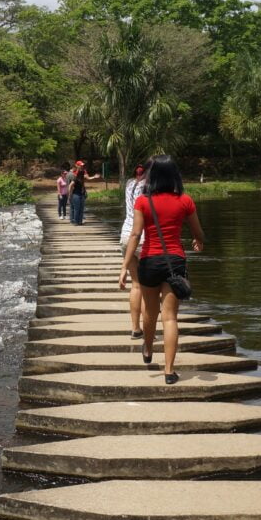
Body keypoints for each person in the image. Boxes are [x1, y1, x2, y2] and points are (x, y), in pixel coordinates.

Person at [118, 155, 204, 384]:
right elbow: (199, 233)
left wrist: (124, 266)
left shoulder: (143, 202)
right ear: (175, 175)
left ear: (152, 175)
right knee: (170, 318)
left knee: (150, 313)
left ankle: (147, 347)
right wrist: (198, 241)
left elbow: (136, 235)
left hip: (149, 260)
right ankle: (169, 371)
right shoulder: (185, 200)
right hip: (175, 261)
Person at [119, 163, 148, 338]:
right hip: (143, 236)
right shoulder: (148, 187)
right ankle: (148, 327)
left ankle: (135, 328)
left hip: (126, 235)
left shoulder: (129, 184)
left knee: (135, 285)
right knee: (146, 287)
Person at [66, 160, 101, 225]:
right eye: (80, 165)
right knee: (76, 208)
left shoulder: (83, 172)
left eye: (82, 165)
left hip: (81, 193)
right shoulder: (75, 174)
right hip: (75, 194)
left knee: (81, 208)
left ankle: (80, 222)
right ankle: (75, 221)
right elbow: (71, 185)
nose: (82, 166)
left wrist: (94, 177)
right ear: (77, 165)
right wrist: (70, 195)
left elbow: (87, 177)